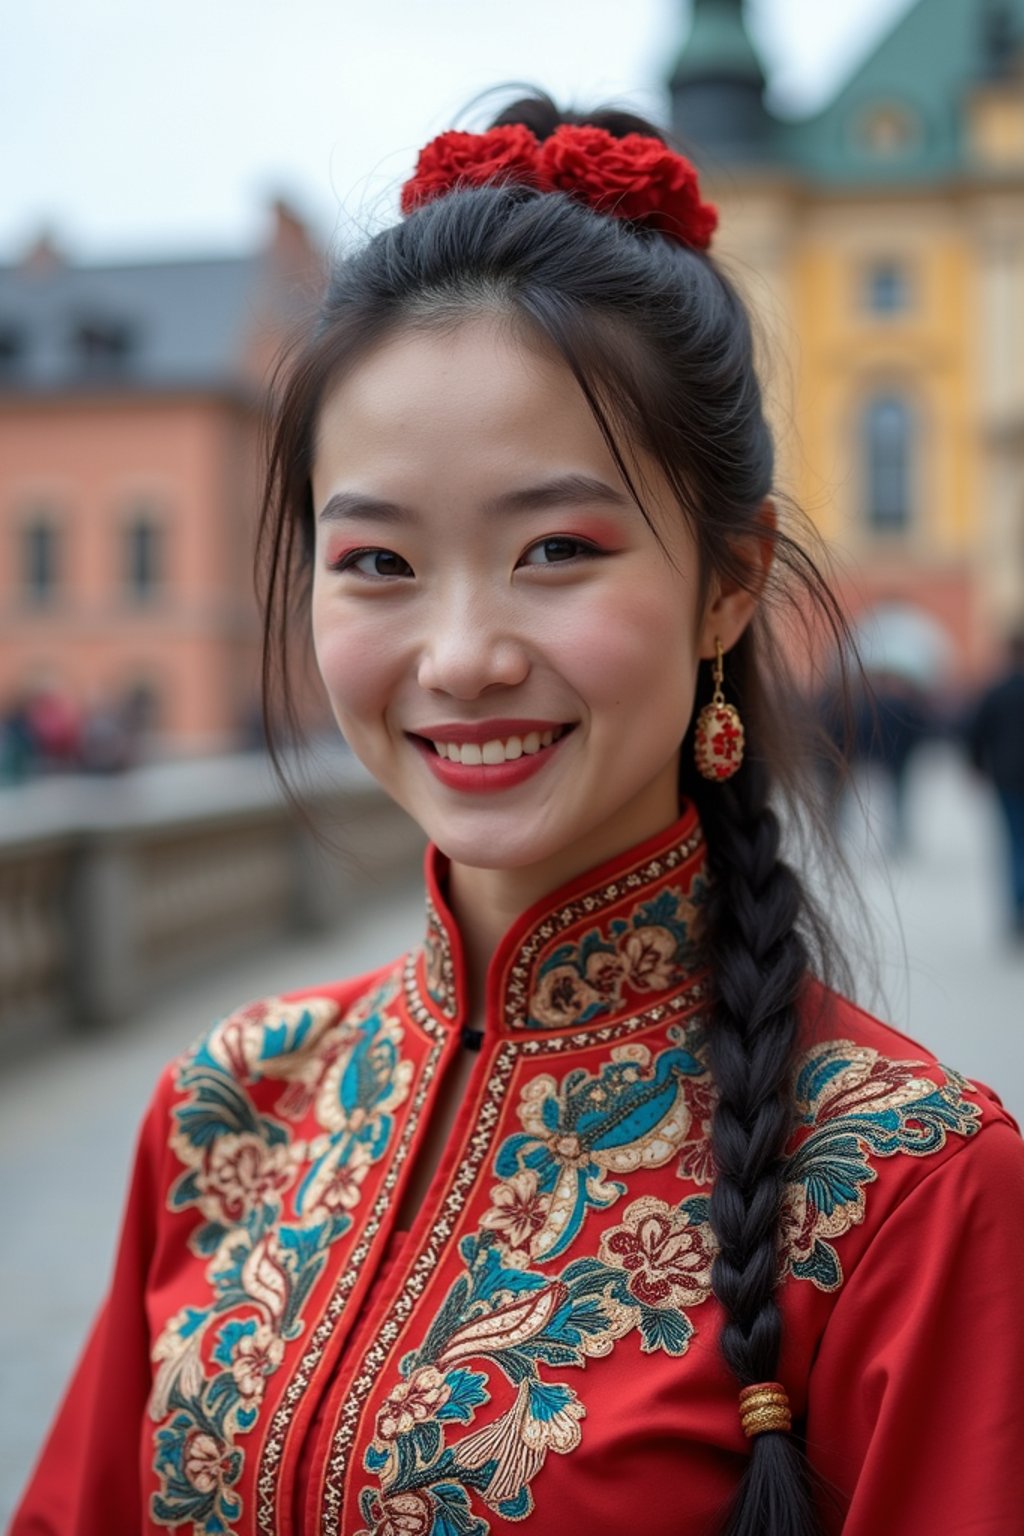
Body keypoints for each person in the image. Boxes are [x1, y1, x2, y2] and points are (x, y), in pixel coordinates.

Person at [11, 96, 1024, 1536]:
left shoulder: (912, 1192)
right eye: (377, 560)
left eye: (556, 548)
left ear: (729, 582)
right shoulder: (230, 1108)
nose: (462, 653)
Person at [967, 628, 1024, 939]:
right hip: (1008, 775)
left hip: (1006, 776)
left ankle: (1018, 907)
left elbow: (976, 732)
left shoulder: (997, 691)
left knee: (1014, 841)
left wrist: (975, 766)